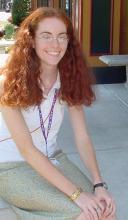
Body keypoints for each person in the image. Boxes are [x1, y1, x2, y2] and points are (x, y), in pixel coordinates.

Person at [0, 7, 116, 220]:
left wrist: (99, 184)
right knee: (82, 213)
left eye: (62, 37)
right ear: (31, 40)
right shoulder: (8, 82)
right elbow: (27, 150)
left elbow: (82, 137)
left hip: (52, 158)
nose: (55, 45)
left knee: (104, 211)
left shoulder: (68, 78)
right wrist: (77, 195)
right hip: (10, 166)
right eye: (46, 36)